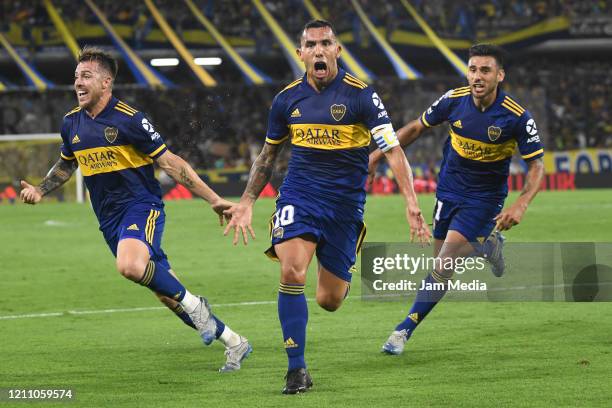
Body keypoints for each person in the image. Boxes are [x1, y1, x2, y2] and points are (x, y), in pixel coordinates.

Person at [223, 20, 430, 394]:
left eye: (326, 43)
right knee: (292, 272)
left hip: (344, 207)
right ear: (300, 54)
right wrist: (247, 201)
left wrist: (411, 204)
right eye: (311, 44)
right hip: (300, 197)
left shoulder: (362, 96)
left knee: (329, 300)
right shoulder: (287, 100)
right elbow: (268, 155)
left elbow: (393, 149)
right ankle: (296, 369)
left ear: (337, 51)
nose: (319, 50)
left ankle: (336, 264)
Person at [19, 47, 251, 372]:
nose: (77, 83)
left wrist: (213, 198)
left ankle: (197, 306)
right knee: (167, 294)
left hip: (141, 207)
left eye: (86, 76)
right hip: (109, 221)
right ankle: (234, 342)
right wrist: (40, 189)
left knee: (129, 266)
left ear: (106, 82)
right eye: (75, 77)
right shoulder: (71, 123)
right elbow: (66, 163)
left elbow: (171, 162)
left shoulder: (130, 119)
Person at [369, 43, 545, 355]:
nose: (477, 76)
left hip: (484, 199)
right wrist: (377, 155)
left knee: (443, 263)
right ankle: (487, 245)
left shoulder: (516, 117)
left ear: (499, 75)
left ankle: (403, 330)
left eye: (485, 70)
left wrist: (521, 203)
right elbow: (415, 128)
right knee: (441, 265)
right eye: (473, 69)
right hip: (448, 191)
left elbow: (536, 164)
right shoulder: (453, 100)